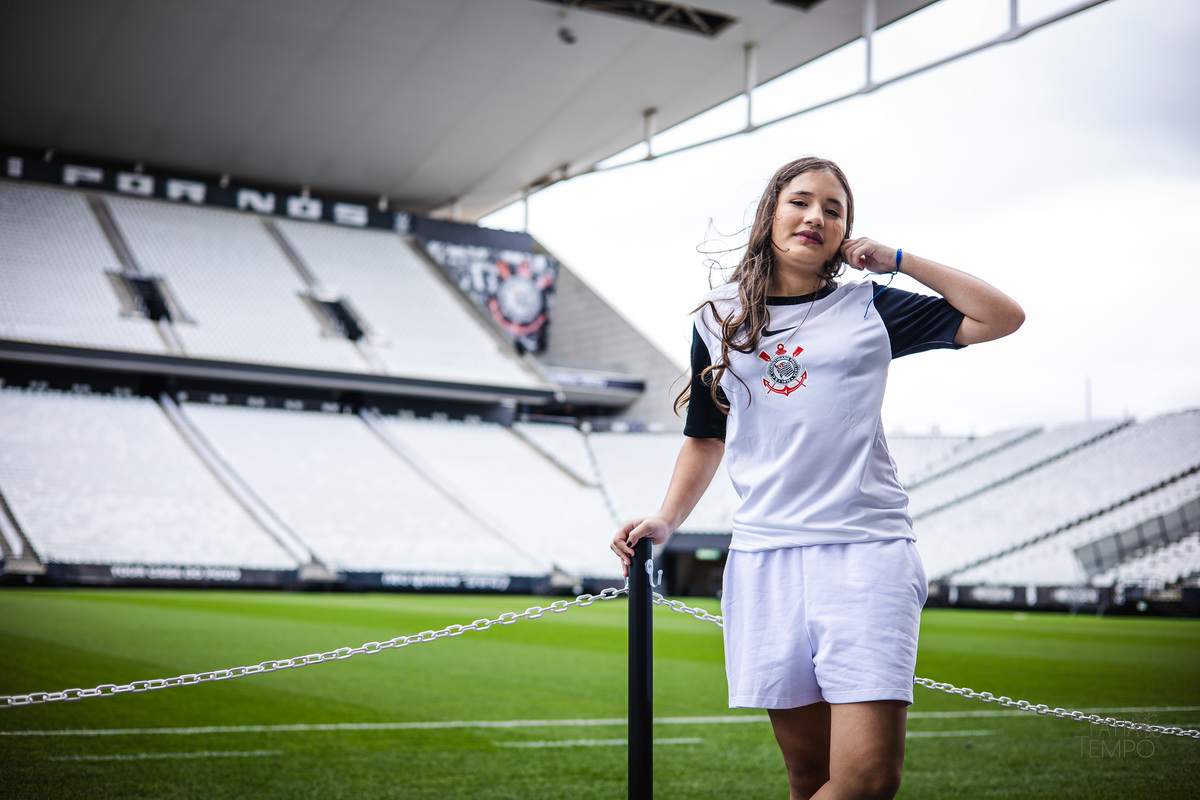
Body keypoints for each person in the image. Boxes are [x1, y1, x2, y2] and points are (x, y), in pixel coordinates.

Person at [610, 156, 1024, 800]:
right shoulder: (717, 318)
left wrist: (897, 259)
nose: (816, 217)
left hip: (866, 552)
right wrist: (667, 517)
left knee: (865, 782)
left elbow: (1001, 316)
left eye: (834, 210)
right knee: (809, 778)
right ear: (770, 214)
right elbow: (706, 435)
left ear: (845, 234)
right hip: (765, 558)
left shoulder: (869, 306)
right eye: (801, 201)